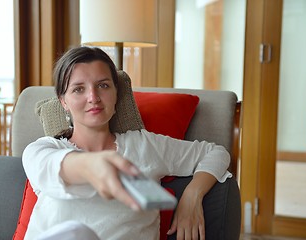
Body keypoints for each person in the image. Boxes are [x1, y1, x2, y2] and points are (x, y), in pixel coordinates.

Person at [22, 46, 232, 240]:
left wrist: (192, 195)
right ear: (63, 102)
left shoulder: (145, 145)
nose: (93, 97)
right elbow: (51, 166)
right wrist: (93, 166)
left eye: (103, 85)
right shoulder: (42, 150)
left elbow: (215, 153)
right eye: (78, 89)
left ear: (115, 94)